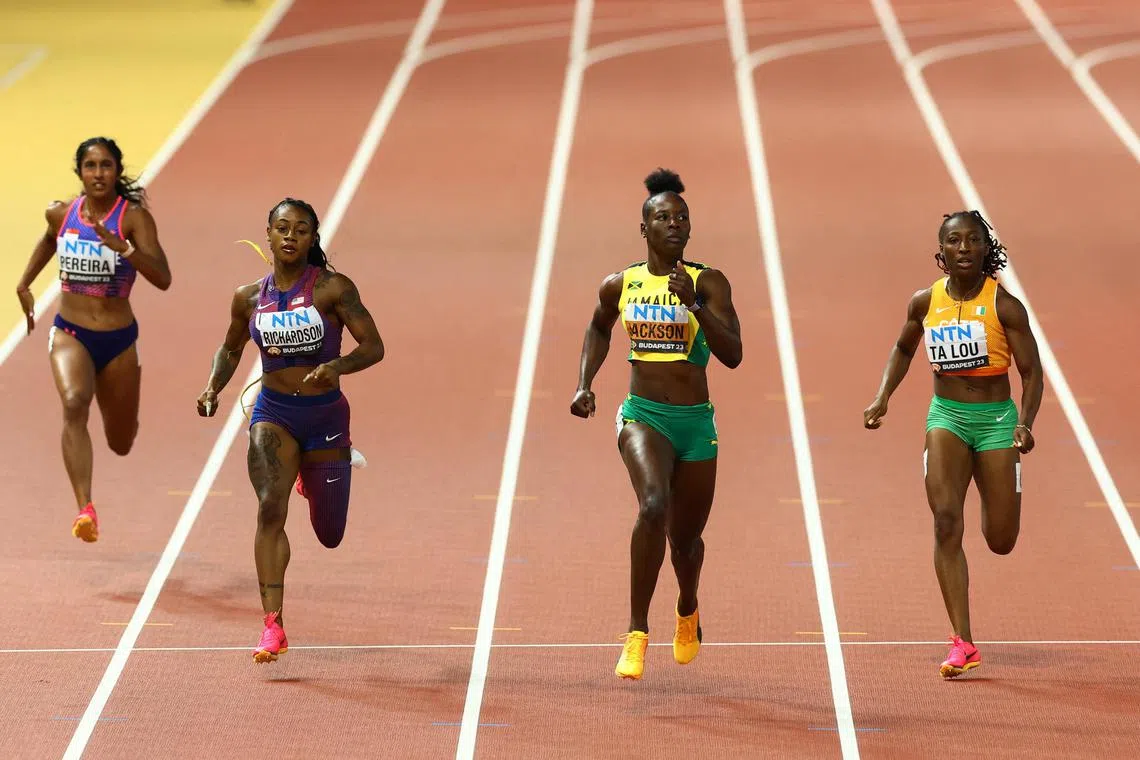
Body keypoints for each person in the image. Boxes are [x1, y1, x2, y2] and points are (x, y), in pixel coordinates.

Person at [570, 168, 742, 680]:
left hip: (695, 423)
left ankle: (687, 607)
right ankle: (636, 632)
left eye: (681, 217)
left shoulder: (709, 281)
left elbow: (733, 354)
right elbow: (598, 328)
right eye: (662, 217)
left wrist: (692, 302)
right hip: (643, 415)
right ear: (643, 228)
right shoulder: (621, 284)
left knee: (686, 542)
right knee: (652, 506)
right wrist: (584, 383)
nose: (674, 224)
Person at [196, 198, 384, 664]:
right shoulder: (248, 298)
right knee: (267, 509)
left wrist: (336, 366)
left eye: (301, 230)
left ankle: (312, 474)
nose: (290, 236)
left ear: (312, 238)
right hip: (273, 414)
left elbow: (375, 347)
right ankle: (272, 625)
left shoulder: (333, 290)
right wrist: (213, 386)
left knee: (330, 533)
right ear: (268, 233)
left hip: (324, 419)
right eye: (282, 228)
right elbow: (230, 348)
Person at [863, 210, 1043, 679]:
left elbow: (1031, 372)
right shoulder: (925, 302)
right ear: (941, 252)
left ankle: (995, 492)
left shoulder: (1006, 307)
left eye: (972, 240)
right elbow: (904, 348)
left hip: (997, 422)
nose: (963, 248)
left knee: (1000, 540)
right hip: (945, 418)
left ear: (987, 249)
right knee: (945, 521)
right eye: (954, 241)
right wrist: (884, 396)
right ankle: (963, 642)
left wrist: (1024, 423)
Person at [15, 136, 173, 543]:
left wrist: (125, 249)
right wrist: (25, 282)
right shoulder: (61, 212)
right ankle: (85, 508)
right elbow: (51, 239)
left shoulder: (132, 218)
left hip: (118, 340)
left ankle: (123, 423)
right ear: (79, 172)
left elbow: (163, 278)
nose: (98, 173)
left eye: (105, 165)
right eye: (90, 166)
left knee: (120, 441)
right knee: (73, 403)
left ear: (117, 172)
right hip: (71, 332)